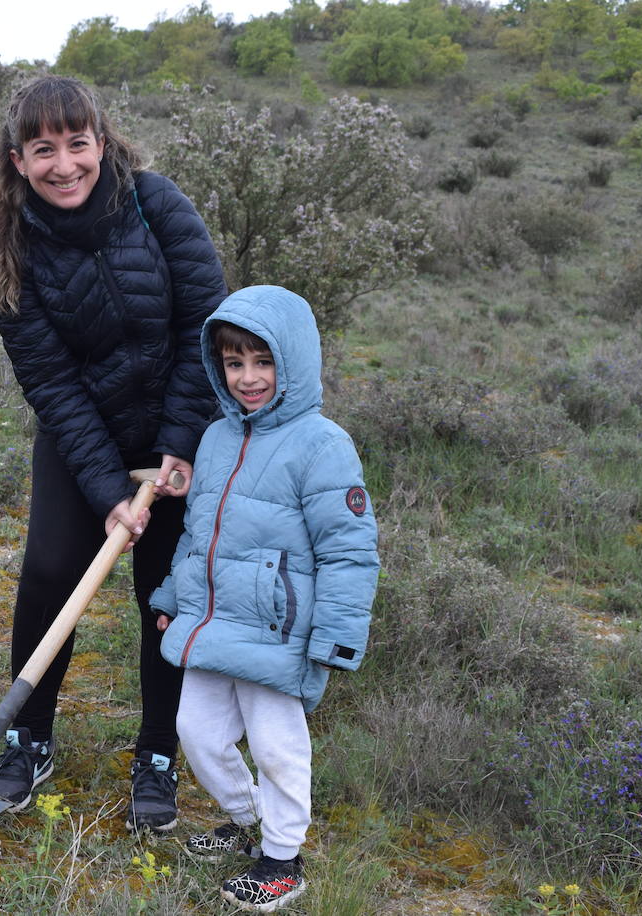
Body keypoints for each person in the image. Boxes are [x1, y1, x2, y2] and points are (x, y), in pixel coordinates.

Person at [0, 74, 227, 832]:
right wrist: (107, 485)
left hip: (180, 427)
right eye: (42, 150)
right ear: (18, 160)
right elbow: (49, 380)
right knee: (51, 572)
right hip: (83, 434)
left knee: (166, 596)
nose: (64, 165)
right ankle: (28, 737)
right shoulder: (10, 251)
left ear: (100, 144)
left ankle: (156, 753)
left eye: (76, 144)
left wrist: (180, 444)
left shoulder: (155, 203)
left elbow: (205, 326)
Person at [151, 285, 380, 911]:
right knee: (195, 731)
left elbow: (349, 550)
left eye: (263, 360)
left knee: (278, 748)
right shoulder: (217, 438)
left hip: (280, 632)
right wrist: (175, 594)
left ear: (295, 361)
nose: (248, 378)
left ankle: (282, 857)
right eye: (234, 362)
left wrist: (335, 637)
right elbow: (200, 532)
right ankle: (243, 817)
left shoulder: (323, 445)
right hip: (213, 620)